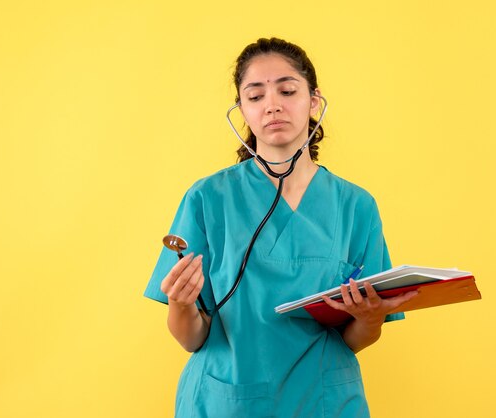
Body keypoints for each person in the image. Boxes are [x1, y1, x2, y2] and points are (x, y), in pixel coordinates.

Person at [144, 37, 417, 417]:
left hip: (325, 400)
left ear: (314, 101)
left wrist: (370, 319)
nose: (272, 105)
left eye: (287, 90)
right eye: (255, 97)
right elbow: (191, 338)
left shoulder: (357, 207)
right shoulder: (207, 199)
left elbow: (355, 340)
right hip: (227, 400)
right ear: (242, 110)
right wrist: (180, 301)